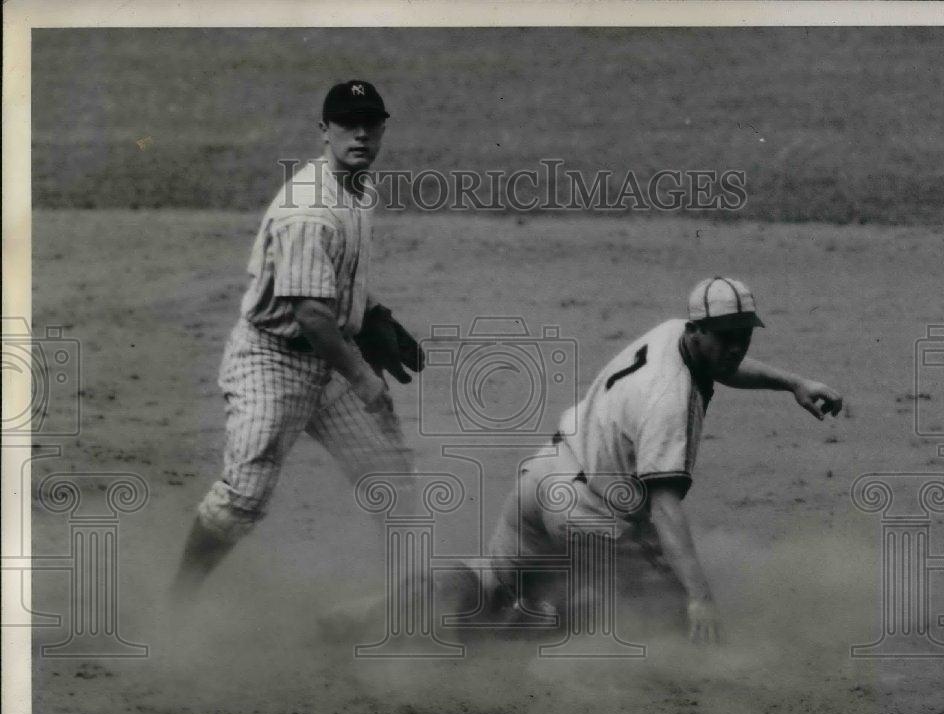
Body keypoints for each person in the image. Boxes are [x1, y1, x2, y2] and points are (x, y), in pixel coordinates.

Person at [477, 276, 843, 644]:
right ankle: (547, 639)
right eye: (725, 337)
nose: (735, 348)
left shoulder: (673, 333)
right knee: (675, 618)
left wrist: (794, 383)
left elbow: (725, 365)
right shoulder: (671, 402)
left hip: (541, 478)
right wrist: (699, 597)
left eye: (743, 336)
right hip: (585, 512)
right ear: (697, 330)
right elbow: (665, 509)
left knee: (487, 593)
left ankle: (436, 638)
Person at [171, 80, 421, 602]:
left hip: (326, 360)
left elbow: (334, 279)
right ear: (323, 131)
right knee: (244, 498)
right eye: (347, 124)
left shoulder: (356, 187)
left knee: (388, 476)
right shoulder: (309, 209)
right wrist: (362, 377)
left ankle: (402, 605)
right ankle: (178, 605)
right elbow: (309, 312)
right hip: (273, 362)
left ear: (382, 129)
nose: (359, 134)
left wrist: (376, 315)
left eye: (369, 124)